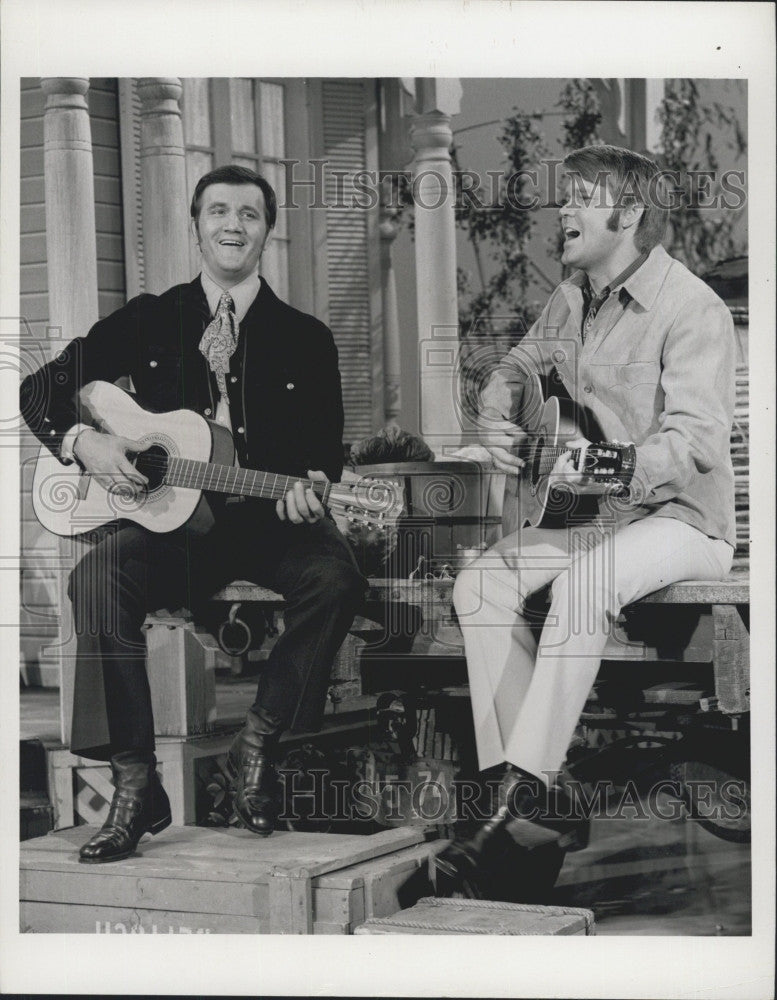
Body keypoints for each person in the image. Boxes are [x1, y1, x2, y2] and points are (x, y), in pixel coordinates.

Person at [21, 165, 367, 863]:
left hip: (269, 525)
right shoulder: (151, 317)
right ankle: (135, 782)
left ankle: (259, 746)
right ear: (195, 225)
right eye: (217, 212)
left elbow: (320, 457)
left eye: (247, 214)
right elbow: (39, 389)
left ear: (267, 230)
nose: (232, 225)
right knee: (95, 580)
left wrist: (309, 490)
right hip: (172, 528)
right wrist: (84, 441)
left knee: (335, 578)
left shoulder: (306, 338)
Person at [436, 145, 737, 898]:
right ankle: (541, 789)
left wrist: (596, 469)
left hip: (682, 522)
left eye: (578, 197)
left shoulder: (690, 306)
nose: (561, 210)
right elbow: (515, 366)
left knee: (582, 586)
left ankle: (512, 805)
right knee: (480, 585)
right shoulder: (569, 299)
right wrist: (497, 410)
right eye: (560, 197)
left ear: (627, 213)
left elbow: (695, 442)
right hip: (599, 520)